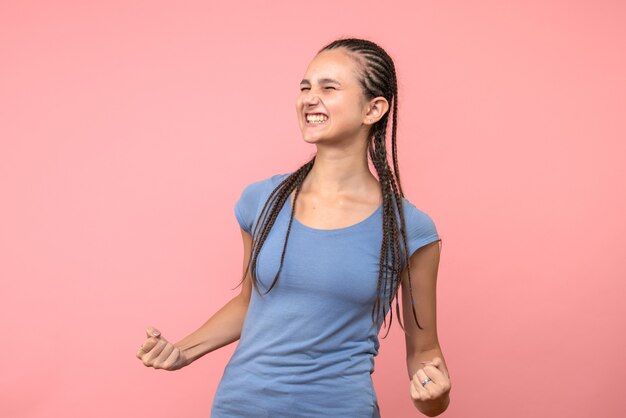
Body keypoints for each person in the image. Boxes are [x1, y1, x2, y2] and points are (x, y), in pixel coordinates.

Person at [136, 37, 451, 417]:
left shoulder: (409, 228)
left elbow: (424, 350)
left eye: (328, 87)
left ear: (374, 109)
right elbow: (251, 302)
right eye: (305, 87)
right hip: (240, 407)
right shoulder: (262, 201)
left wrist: (434, 398)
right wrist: (182, 351)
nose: (308, 98)